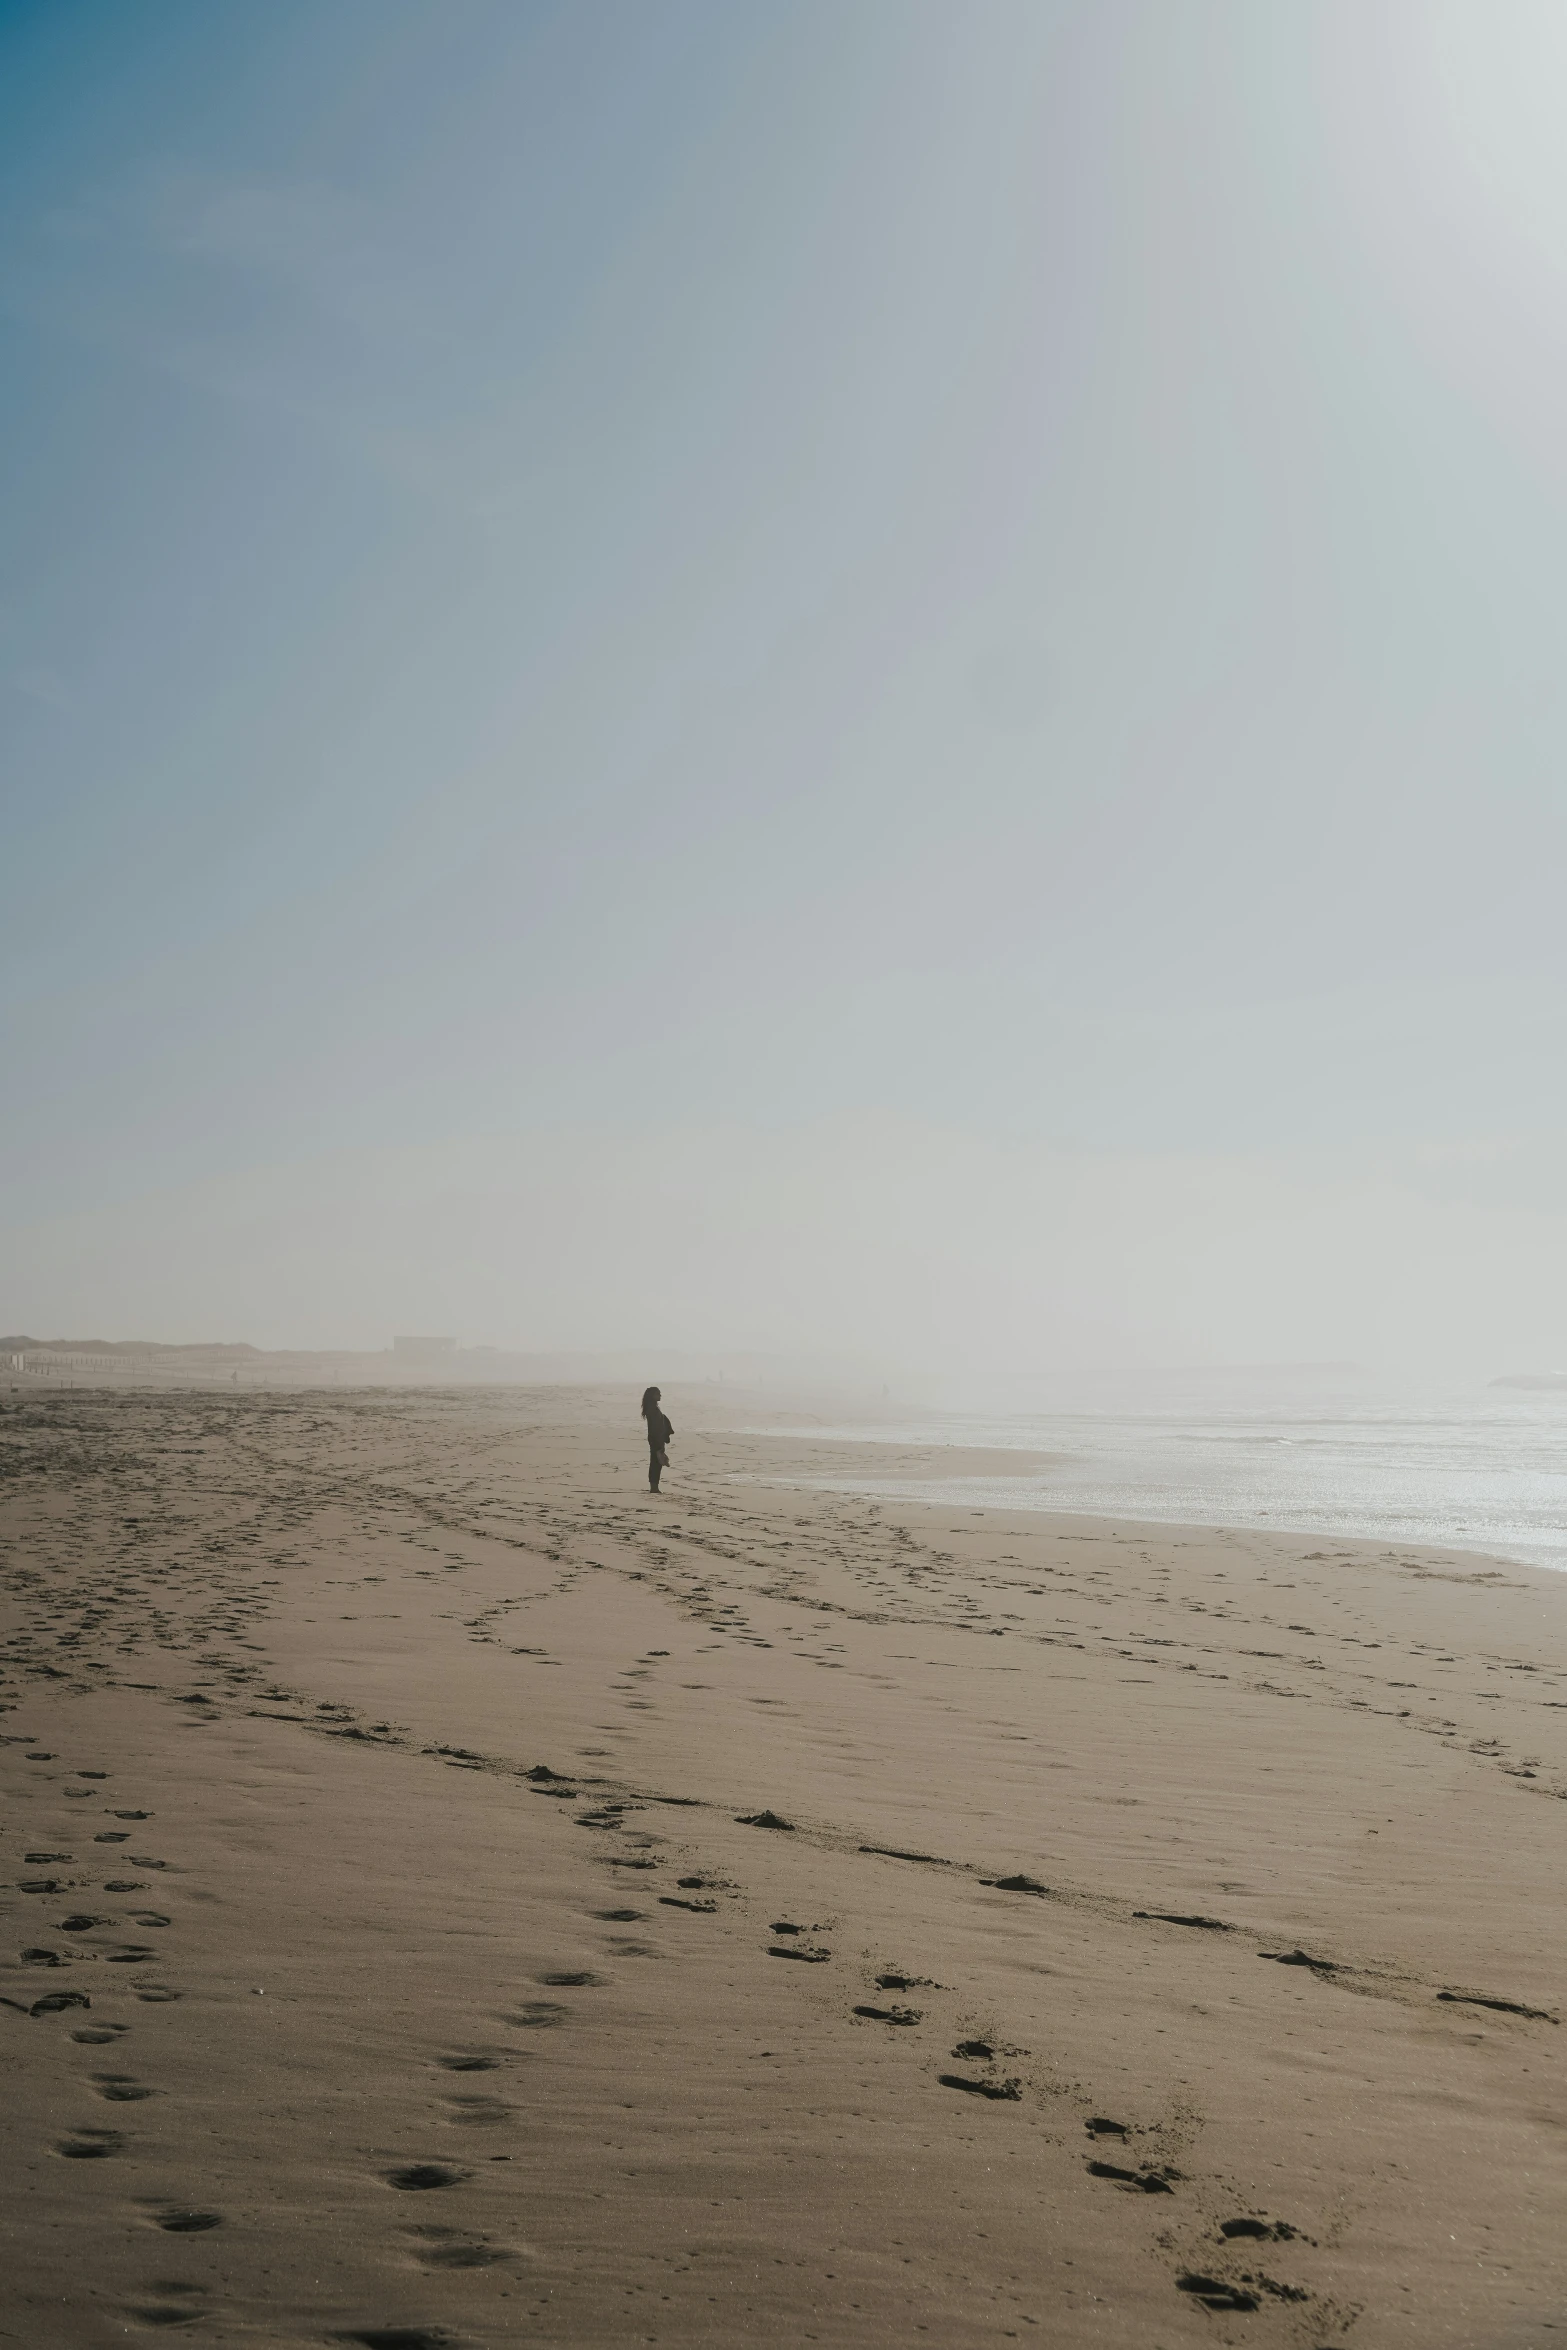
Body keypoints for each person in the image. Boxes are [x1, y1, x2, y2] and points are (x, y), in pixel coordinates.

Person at [640, 1385, 673, 1493]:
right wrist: (659, 1441)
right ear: (652, 1396)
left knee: (657, 1462)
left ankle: (654, 1486)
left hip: (656, 1437)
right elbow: (655, 1426)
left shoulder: (653, 1408)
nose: (660, 1395)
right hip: (655, 1438)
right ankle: (654, 1487)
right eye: (658, 1393)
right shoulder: (652, 1409)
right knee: (656, 1462)